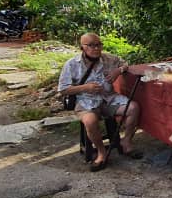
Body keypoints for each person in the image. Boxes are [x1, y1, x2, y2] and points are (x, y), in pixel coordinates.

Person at [58, 32, 142, 170]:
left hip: (108, 98)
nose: (96, 48)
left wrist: (118, 70)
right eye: (91, 45)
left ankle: (126, 142)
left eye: (98, 45)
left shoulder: (109, 59)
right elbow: (63, 89)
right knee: (90, 121)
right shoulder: (72, 64)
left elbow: (125, 63)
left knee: (133, 107)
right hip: (86, 101)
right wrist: (85, 87)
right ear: (82, 47)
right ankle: (101, 152)